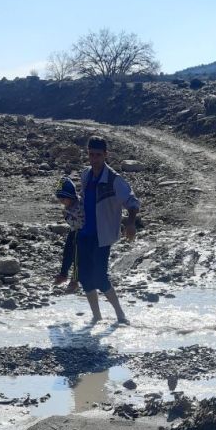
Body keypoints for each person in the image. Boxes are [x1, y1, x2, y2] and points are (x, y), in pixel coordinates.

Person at [76, 135, 139, 324]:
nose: (94, 158)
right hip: (84, 233)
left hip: (102, 235)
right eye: (91, 154)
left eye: (97, 155)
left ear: (105, 155)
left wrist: (131, 222)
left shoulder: (114, 180)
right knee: (84, 276)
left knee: (100, 277)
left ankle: (120, 314)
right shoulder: (85, 175)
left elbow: (132, 202)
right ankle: (96, 316)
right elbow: (82, 200)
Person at [53, 176, 84, 294]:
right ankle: (63, 274)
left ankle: (75, 280)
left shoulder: (80, 205)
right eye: (59, 198)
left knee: (77, 256)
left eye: (63, 198)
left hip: (83, 232)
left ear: (70, 196)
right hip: (74, 230)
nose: (61, 201)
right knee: (67, 251)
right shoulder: (67, 207)